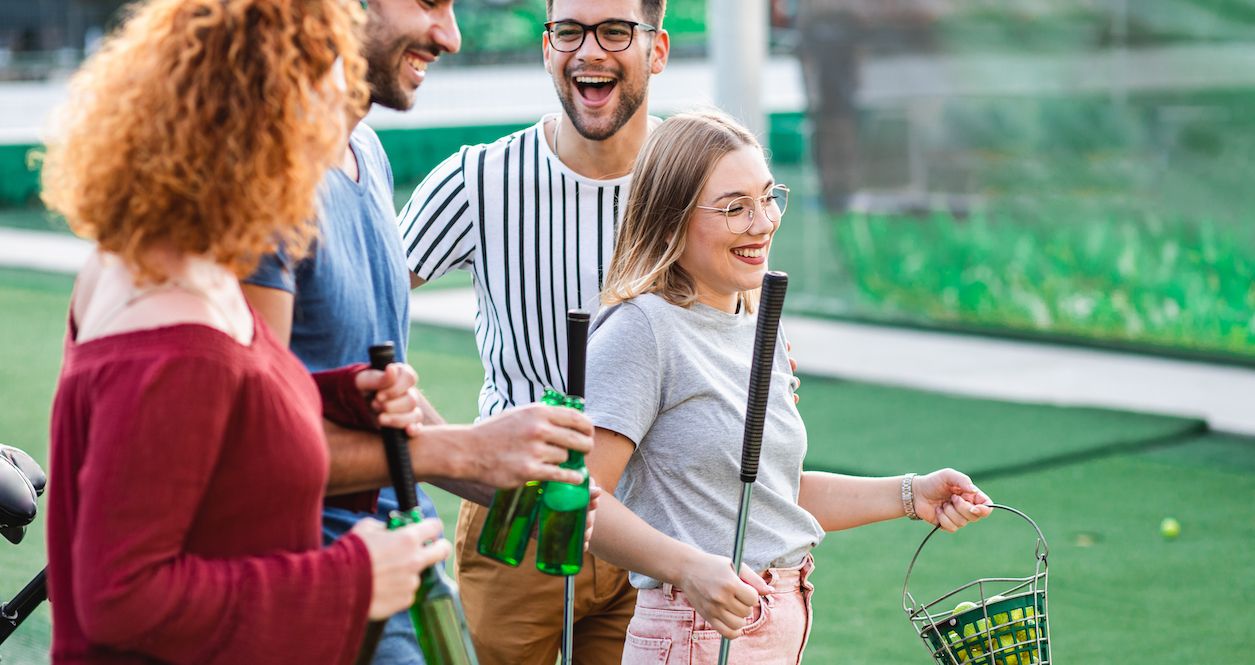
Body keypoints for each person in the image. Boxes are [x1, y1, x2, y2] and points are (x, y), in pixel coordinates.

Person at [38, 1, 447, 662]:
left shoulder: (184, 264)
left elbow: (220, 421)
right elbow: (122, 598)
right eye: (329, 78)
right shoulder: (174, 331)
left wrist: (343, 394)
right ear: (262, 108)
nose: (344, 107)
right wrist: (354, 578)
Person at [242, 2, 596, 662]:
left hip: (407, 564)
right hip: (316, 591)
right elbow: (252, 443)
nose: (451, 36)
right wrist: (462, 451)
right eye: (428, 2)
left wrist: (500, 473)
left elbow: (382, 400)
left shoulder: (366, 152)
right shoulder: (262, 179)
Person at [583, 110, 994, 664]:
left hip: (779, 624)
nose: (763, 223)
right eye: (735, 208)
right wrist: (687, 567)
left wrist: (910, 494)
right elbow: (577, 499)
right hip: (695, 634)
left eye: (768, 197)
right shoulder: (642, 330)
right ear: (670, 219)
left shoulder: (759, 323)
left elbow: (770, 493)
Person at [396, 0, 671, 661]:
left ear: (657, 49)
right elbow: (358, 315)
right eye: (568, 32)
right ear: (547, 48)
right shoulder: (475, 178)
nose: (589, 51)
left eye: (615, 31)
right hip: (516, 520)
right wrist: (446, 450)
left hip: (657, 527)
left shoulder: (697, 177)